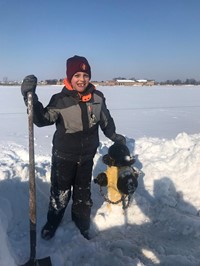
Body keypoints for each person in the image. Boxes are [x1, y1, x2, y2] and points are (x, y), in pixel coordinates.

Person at [21, 55, 125, 240]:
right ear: (70, 77)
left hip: (86, 157)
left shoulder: (97, 98)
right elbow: (41, 119)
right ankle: (53, 222)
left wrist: (114, 136)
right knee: (60, 193)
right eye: (77, 75)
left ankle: (81, 222)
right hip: (64, 156)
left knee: (83, 194)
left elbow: (106, 120)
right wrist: (30, 98)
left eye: (85, 75)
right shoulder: (60, 100)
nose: (81, 79)